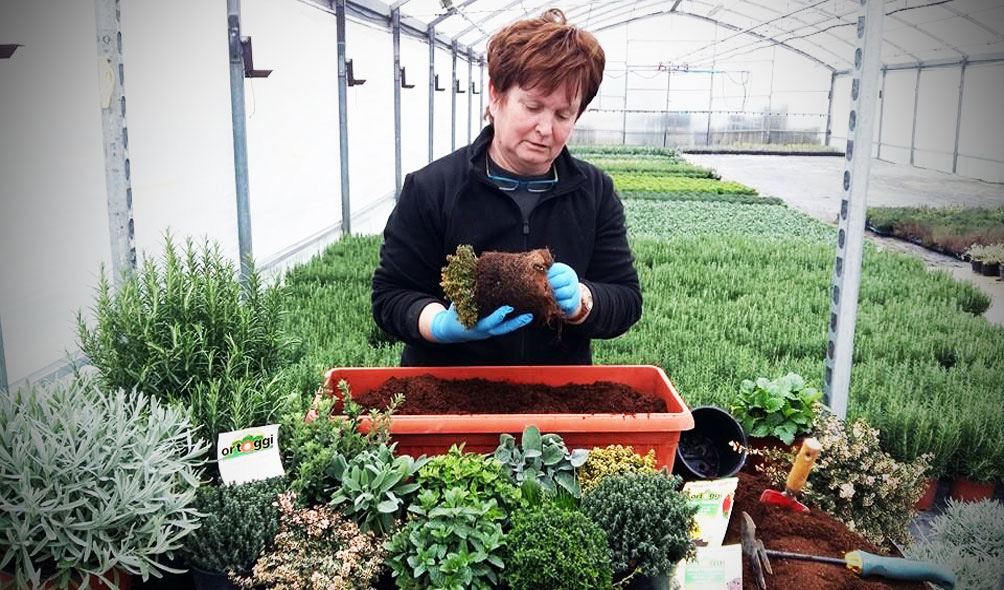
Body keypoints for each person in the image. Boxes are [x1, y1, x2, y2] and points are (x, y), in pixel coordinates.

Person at [371, 8, 641, 367]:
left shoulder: (593, 192)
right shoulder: (432, 188)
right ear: (496, 96)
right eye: (532, 106)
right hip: (447, 392)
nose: (546, 128)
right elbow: (391, 296)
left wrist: (582, 300)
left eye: (563, 115)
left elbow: (625, 298)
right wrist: (439, 323)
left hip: (553, 394)